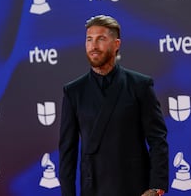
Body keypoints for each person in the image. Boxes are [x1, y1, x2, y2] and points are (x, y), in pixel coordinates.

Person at [58, 15, 169, 196]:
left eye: (101, 39)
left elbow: (158, 139)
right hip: (93, 188)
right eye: (89, 39)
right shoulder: (73, 92)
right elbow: (67, 152)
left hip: (135, 188)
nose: (93, 46)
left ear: (116, 44)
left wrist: (156, 187)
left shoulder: (140, 85)